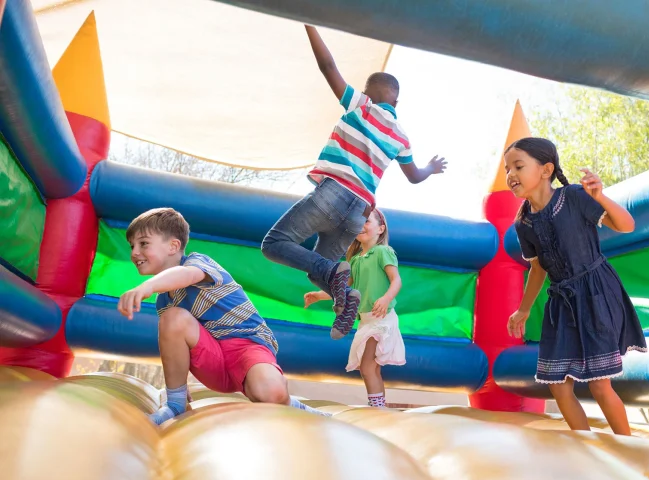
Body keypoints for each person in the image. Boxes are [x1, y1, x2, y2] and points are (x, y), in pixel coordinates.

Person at [261, 25, 446, 341]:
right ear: (396, 104)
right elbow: (414, 177)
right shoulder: (401, 136)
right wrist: (429, 167)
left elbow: (328, 67)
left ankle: (337, 282)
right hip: (360, 211)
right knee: (320, 268)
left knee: (275, 244)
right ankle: (346, 298)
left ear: (368, 93)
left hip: (333, 193)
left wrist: (309, 23)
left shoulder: (361, 105)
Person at [117, 207, 329, 424]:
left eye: (143, 244)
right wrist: (178, 386)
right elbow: (178, 346)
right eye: (132, 246)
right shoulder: (165, 301)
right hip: (214, 363)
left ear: (173, 246)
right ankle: (175, 404)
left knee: (270, 393)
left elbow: (186, 275)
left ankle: (291, 403)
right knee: (173, 318)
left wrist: (148, 286)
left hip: (247, 347)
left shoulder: (198, 263)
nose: (134, 252)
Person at [504, 137, 647, 436]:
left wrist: (600, 197)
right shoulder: (524, 223)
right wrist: (523, 309)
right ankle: (585, 446)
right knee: (558, 386)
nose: (510, 174)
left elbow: (626, 225)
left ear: (546, 170)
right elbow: (538, 267)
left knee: (599, 383)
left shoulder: (573, 197)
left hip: (595, 293)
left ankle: (631, 449)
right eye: (507, 169)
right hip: (562, 303)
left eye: (518, 166)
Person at [304, 209, 404, 408]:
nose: (362, 226)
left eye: (367, 222)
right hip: (366, 320)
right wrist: (318, 295)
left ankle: (378, 407)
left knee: (368, 366)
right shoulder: (356, 260)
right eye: (359, 223)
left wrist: (385, 298)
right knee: (369, 368)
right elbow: (344, 289)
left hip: (381, 318)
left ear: (380, 229)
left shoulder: (383, 252)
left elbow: (396, 280)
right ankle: (379, 405)